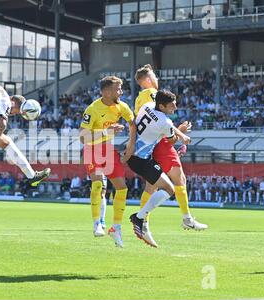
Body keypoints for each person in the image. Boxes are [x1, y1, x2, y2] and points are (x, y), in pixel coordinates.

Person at [134, 64, 207, 231]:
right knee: (179, 179)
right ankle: (186, 219)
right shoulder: (151, 94)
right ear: (147, 79)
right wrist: (180, 134)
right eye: (154, 76)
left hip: (150, 142)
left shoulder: (140, 98)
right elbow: (159, 120)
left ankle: (143, 221)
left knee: (151, 186)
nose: (157, 79)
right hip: (160, 143)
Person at [127, 90, 191, 248]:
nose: (175, 107)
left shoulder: (147, 105)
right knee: (169, 190)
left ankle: (140, 219)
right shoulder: (165, 122)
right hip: (141, 160)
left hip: (134, 154)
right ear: (161, 106)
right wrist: (181, 133)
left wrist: (180, 135)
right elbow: (169, 140)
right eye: (171, 105)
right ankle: (139, 217)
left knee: (157, 187)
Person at [80, 76, 136, 248]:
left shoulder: (122, 106)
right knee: (98, 185)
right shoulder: (93, 109)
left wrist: (131, 145)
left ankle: (116, 227)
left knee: (122, 188)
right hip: (92, 149)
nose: (120, 92)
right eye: (117, 89)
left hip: (109, 150)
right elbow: (83, 137)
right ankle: (97, 223)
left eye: (121, 88)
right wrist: (106, 132)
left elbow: (133, 124)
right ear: (106, 91)